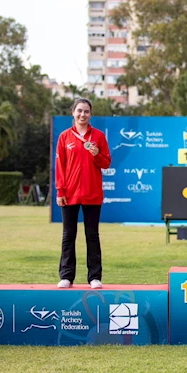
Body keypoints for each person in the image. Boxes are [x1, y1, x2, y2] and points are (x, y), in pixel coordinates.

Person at [55, 98, 111, 289]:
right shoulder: (64, 137)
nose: (82, 114)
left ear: (90, 114)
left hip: (92, 193)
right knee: (68, 235)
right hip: (69, 194)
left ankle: (94, 277)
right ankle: (66, 276)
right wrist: (60, 191)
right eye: (79, 111)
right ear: (73, 112)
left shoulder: (99, 137)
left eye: (86, 111)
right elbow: (60, 166)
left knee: (92, 235)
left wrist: (96, 154)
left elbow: (106, 163)